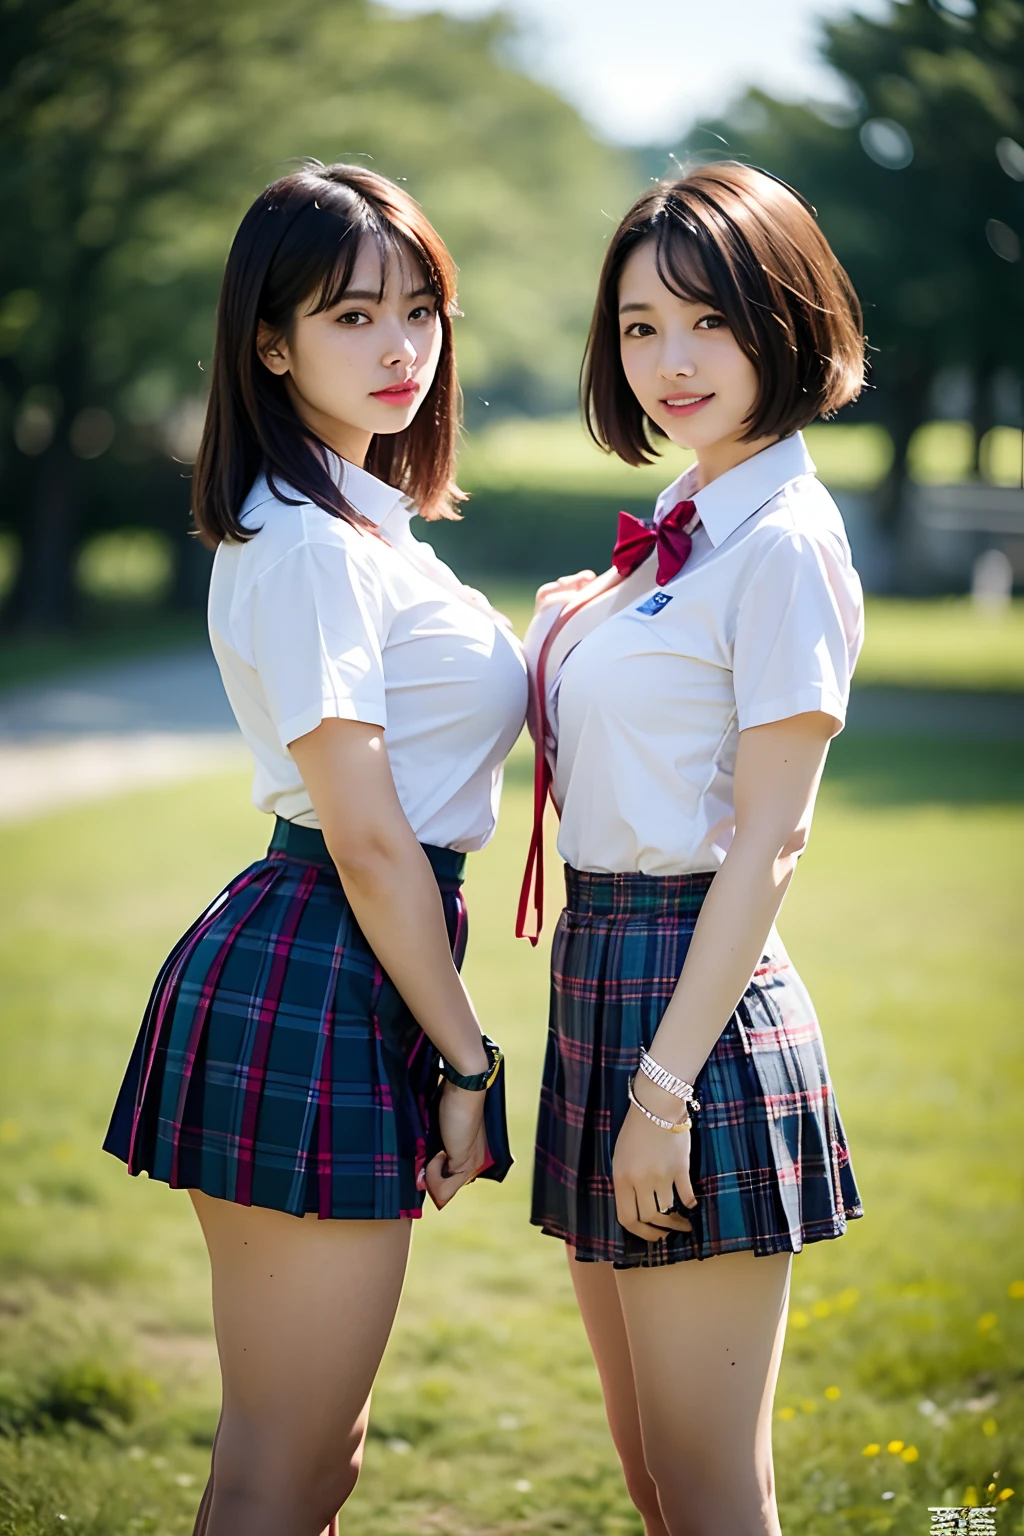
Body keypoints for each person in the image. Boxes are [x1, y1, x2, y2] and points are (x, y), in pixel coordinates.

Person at [104, 161, 527, 1536]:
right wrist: (472, 1062)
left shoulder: (361, 521)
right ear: (270, 343)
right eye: (354, 316)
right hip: (326, 955)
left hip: (348, 960)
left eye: (422, 309)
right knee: (293, 1461)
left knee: (301, 1454)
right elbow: (365, 835)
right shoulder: (308, 543)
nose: (402, 345)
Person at [520, 162, 867, 1536]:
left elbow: (772, 845)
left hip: (695, 1011)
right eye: (638, 326)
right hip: (601, 976)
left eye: (708, 321)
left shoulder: (782, 543)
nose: (669, 360)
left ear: (783, 321)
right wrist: (574, 620)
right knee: (653, 1470)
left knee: (714, 1487)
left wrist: (662, 1093)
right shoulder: (685, 529)